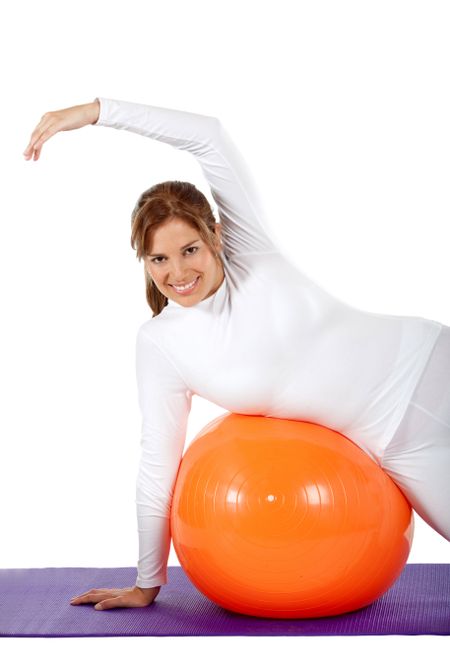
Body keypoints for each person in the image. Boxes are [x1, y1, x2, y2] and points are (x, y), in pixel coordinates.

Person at [23, 97, 450, 612]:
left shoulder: (251, 252)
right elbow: (159, 462)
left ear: (216, 238)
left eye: (189, 250)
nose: (177, 272)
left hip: (431, 361)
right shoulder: (161, 345)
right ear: (143, 260)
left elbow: (210, 135)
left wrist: (95, 112)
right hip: (399, 446)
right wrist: (146, 581)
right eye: (158, 257)